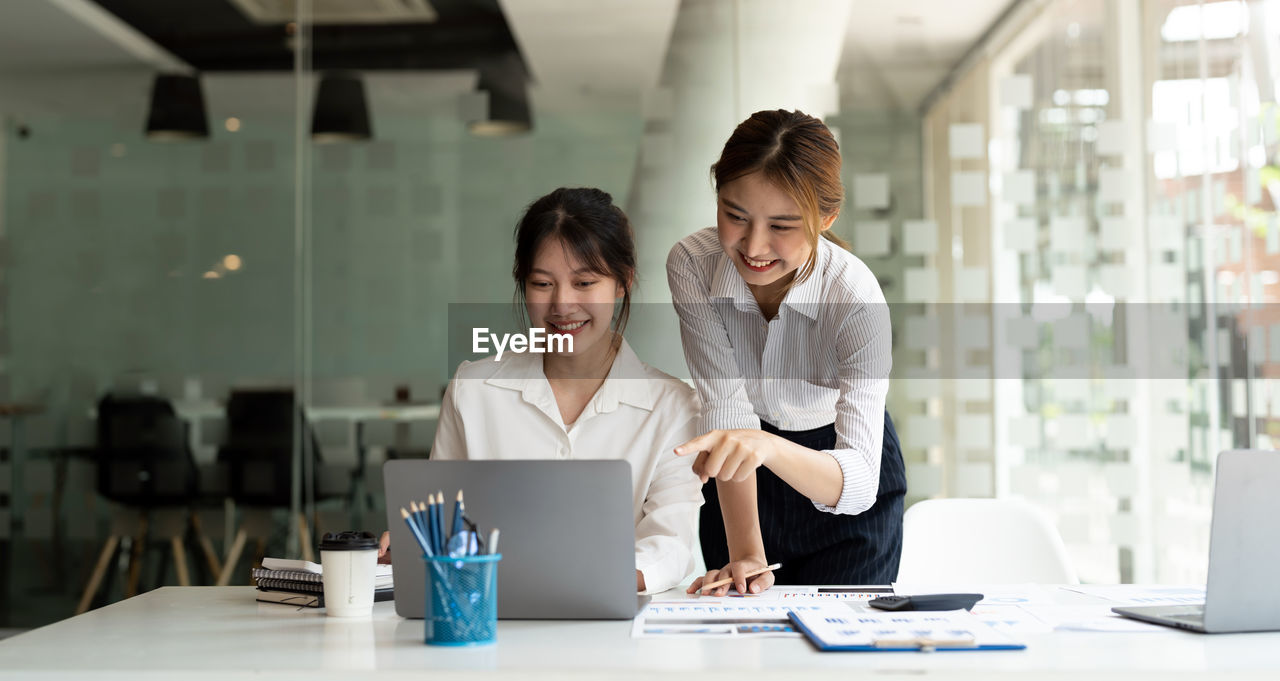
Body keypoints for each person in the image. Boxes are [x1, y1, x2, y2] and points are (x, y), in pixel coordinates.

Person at [379, 187, 703, 594]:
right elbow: (444, 520)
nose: (563, 305)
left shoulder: (674, 406)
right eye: (542, 283)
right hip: (492, 624)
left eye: (585, 282)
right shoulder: (473, 389)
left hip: (614, 628)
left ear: (623, 283)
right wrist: (416, 541)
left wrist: (584, 580)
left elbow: (670, 544)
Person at [666, 109, 906, 595]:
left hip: (837, 465)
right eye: (735, 216)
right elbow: (727, 409)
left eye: (783, 225)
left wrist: (768, 447)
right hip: (741, 488)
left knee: (835, 659)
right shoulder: (692, 264)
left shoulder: (854, 297)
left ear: (827, 219)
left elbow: (859, 485)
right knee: (743, 652)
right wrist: (747, 553)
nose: (754, 246)